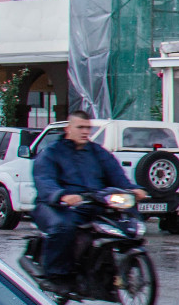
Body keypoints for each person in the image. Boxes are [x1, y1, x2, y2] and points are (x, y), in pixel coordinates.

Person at [33, 111, 135, 278]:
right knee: (63, 227)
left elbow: (116, 174)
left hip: (93, 203)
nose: (85, 132)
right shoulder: (51, 153)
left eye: (88, 128)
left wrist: (132, 189)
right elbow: (44, 179)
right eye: (80, 127)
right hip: (55, 205)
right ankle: (56, 275)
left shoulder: (98, 152)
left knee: (124, 221)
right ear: (68, 128)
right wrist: (61, 196)